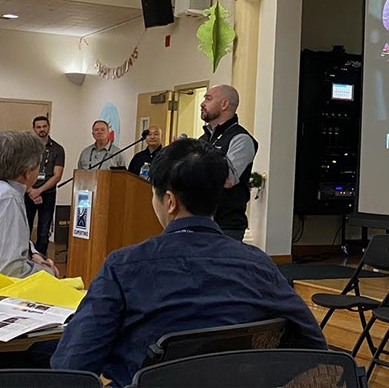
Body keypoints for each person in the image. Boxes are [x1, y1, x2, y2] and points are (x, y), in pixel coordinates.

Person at [51, 139, 325, 387]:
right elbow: (314, 344)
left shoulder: (123, 267)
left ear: (170, 201)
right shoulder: (258, 265)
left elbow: (71, 366)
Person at [198, 85, 257, 241]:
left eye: (208, 99)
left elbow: (227, 179)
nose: (202, 104)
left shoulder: (241, 139)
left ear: (224, 104)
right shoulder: (203, 139)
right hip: (201, 221)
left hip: (226, 226)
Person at [0, 131, 60, 278]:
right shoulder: (9, 198)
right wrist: (49, 273)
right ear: (27, 172)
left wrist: (33, 254)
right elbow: (10, 270)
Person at [25, 116, 65, 257]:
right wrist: (31, 191)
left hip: (48, 194)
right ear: (34, 128)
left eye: (44, 126)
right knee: (25, 228)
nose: (41, 129)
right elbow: (20, 171)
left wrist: (39, 191)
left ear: (48, 127)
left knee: (43, 231)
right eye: (38, 127)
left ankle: (40, 261)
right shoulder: (27, 148)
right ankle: (24, 259)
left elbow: (57, 175)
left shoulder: (58, 149)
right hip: (27, 193)